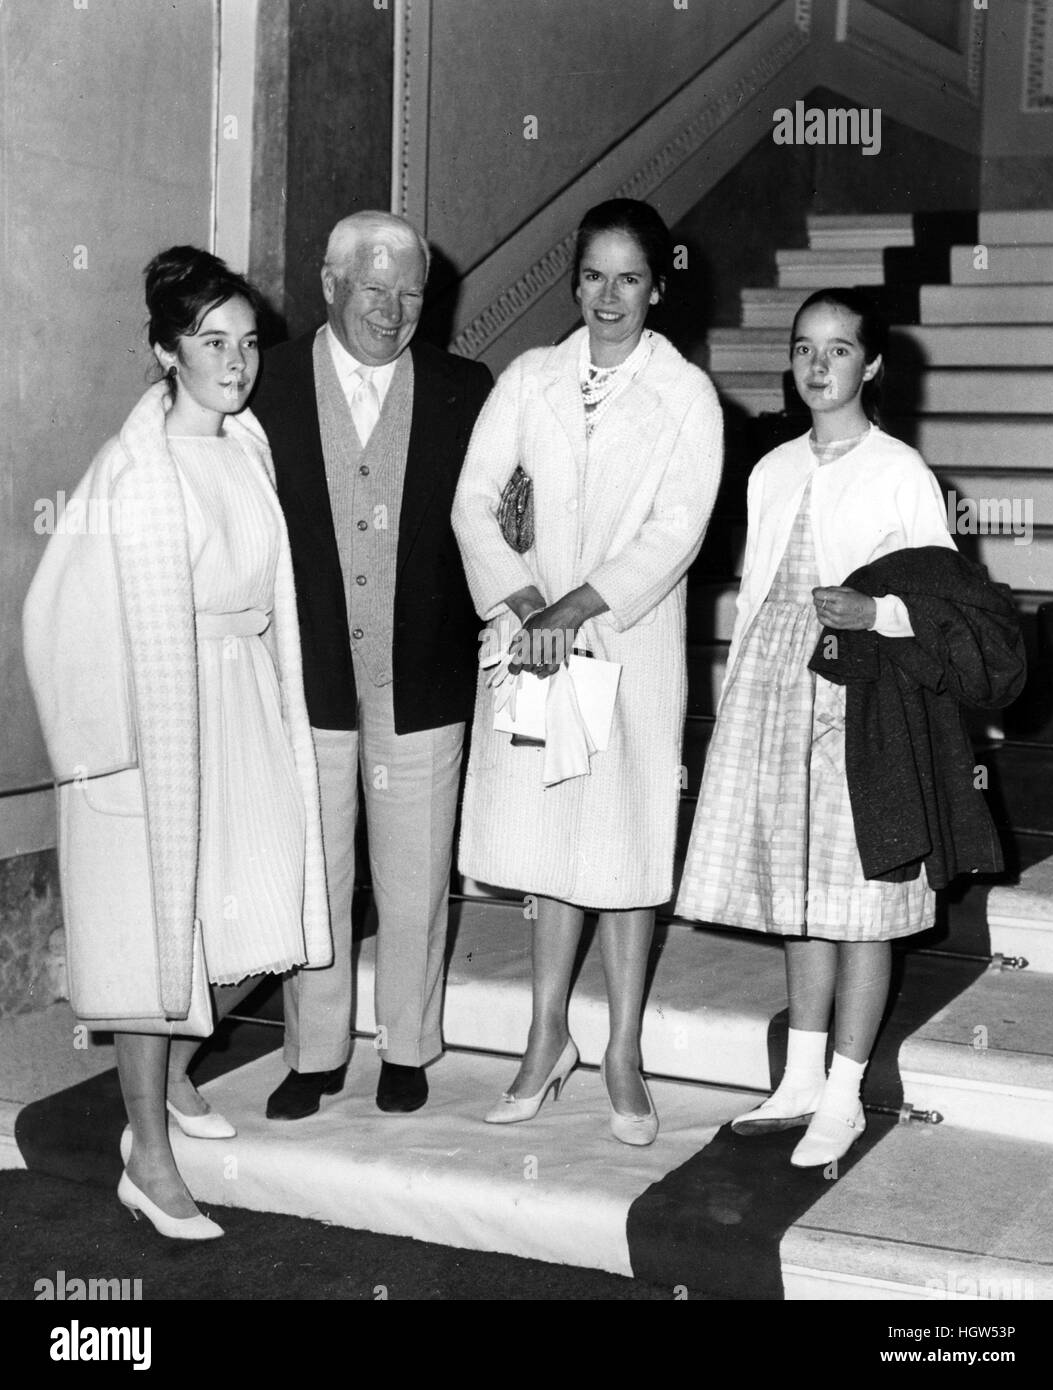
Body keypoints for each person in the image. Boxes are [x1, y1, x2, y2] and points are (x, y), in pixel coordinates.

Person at [23, 247, 330, 1238]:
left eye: (246, 343)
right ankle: (145, 1156)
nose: (236, 362)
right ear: (165, 350)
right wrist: (110, 750)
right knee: (165, 930)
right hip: (161, 718)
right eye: (211, 343)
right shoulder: (132, 467)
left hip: (240, 698)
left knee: (274, 907)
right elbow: (56, 609)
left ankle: (179, 1072)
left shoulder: (245, 446)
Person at [451, 198, 722, 1145]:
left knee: (625, 847)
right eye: (594, 277)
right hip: (533, 647)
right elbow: (473, 502)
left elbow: (676, 530)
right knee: (547, 840)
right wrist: (526, 604)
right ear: (574, 282)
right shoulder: (530, 377)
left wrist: (575, 608)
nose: (609, 297)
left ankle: (621, 1054)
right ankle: (543, 1041)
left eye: (630, 278)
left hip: (628, 645)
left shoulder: (685, 395)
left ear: (657, 287)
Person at [676, 287, 962, 1167]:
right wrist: (736, 697)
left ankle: (843, 1092)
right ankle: (799, 1076)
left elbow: (947, 611)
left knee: (861, 907)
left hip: (862, 705)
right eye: (805, 347)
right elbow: (760, 589)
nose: (817, 364)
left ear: (870, 365)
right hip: (774, 693)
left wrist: (875, 612)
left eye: (839, 350)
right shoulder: (770, 469)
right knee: (797, 895)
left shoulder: (898, 471)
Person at [252, 211, 493, 1118]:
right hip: (303, 677)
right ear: (328, 284)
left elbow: (503, 526)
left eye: (410, 293)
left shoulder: (466, 388)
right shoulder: (263, 384)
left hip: (421, 672)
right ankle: (313, 1053)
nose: (391, 311)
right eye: (372, 289)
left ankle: (407, 1044)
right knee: (314, 873)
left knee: (415, 874)